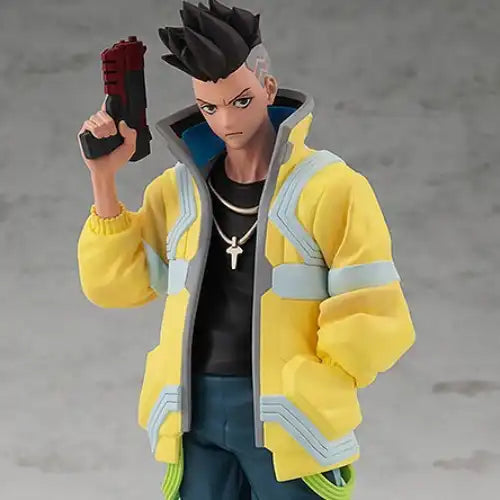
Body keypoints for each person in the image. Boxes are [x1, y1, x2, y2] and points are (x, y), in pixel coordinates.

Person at [76, 1, 416, 498]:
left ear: (268, 89)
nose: (226, 121)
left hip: (287, 414)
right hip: (193, 411)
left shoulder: (329, 187)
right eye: (210, 108)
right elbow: (116, 286)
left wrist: (321, 381)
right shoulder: (179, 191)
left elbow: (375, 307)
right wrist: (103, 179)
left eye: (240, 101)